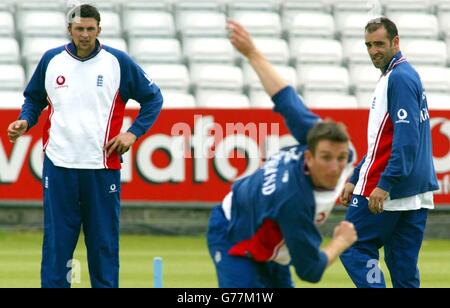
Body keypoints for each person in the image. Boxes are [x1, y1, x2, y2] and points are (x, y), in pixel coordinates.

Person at [7, 4, 163, 288]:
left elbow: (153, 98)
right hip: (58, 166)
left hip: (101, 168)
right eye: (79, 29)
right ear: (69, 30)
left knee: (103, 245)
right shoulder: (51, 60)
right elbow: (33, 99)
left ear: (99, 30)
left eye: (91, 29)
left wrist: (133, 133)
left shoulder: (118, 62)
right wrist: (24, 121)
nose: (85, 35)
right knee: (57, 245)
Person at [206, 20, 357, 288]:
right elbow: (311, 271)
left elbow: (285, 98)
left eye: (341, 158)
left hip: (272, 240)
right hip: (234, 234)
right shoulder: (295, 200)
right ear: (309, 157)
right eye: (326, 158)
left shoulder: (323, 139)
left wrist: (253, 53)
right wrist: (341, 241)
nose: (335, 166)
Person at [339, 17, 439, 288]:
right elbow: (384, 142)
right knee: (403, 272)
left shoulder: (399, 79)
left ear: (396, 42)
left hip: (390, 189)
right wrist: (354, 175)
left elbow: (405, 141)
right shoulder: (406, 75)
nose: (374, 51)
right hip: (416, 192)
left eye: (379, 44)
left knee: (350, 244)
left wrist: (384, 183)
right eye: (368, 45)